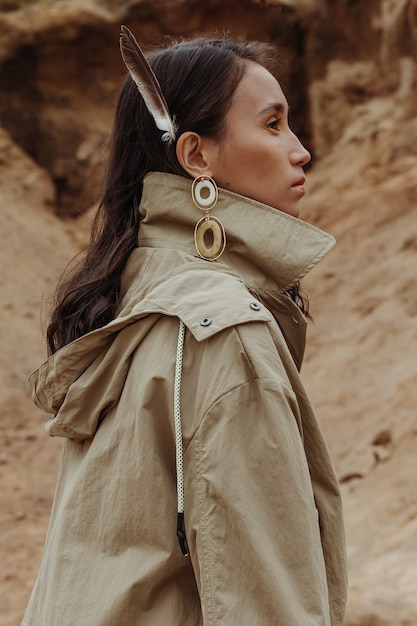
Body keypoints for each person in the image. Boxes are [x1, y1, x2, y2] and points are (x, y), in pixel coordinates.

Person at [22, 26, 347, 626]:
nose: (300, 150)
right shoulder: (223, 332)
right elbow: (265, 603)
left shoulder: (133, 302)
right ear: (196, 155)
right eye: (273, 125)